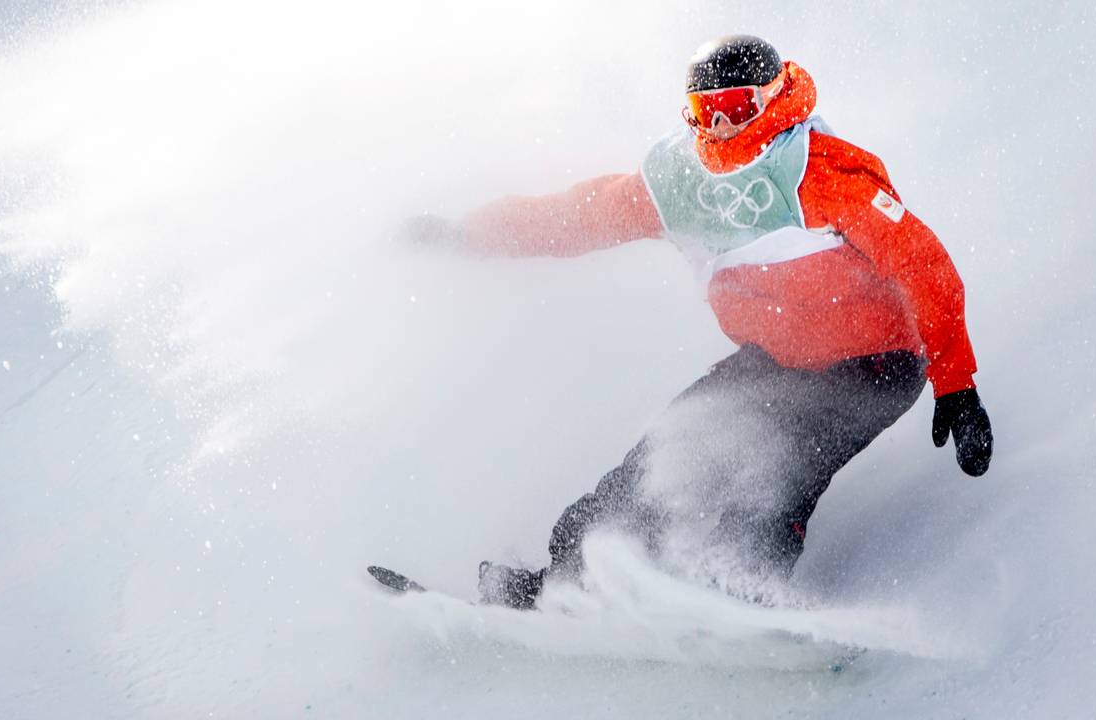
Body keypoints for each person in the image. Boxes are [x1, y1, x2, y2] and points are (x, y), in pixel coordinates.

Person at [406, 35, 993, 608]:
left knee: (779, 470)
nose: (717, 128)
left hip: (873, 363)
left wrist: (956, 387)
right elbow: (574, 217)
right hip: (775, 358)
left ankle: (751, 596)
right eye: (702, 111)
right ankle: (563, 583)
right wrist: (467, 235)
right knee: (663, 457)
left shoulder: (821, 174)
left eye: (734, 108)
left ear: (770, 100)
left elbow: (923, 267)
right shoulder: (679, 185)